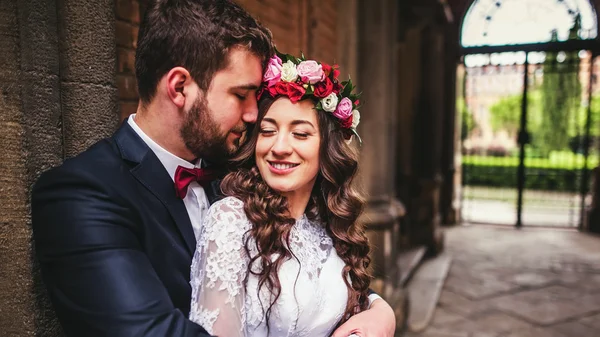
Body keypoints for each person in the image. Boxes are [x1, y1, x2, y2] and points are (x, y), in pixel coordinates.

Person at [31, 0, 395, 336]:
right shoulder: (81, 195)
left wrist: (379, 311)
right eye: (240, 95)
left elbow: (309, 266)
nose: (254, 115)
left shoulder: (235, 170)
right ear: (179, 87)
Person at [189, 51, 394, 337]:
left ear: (327, 149)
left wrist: (381, 311)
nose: (280, 147)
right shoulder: (230, 221)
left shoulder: (327, 222)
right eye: (268, 131)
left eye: (300, 134)